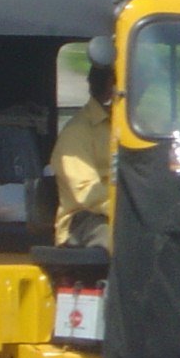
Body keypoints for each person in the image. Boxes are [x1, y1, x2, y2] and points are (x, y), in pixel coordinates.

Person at [50, 62, 114, 250]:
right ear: (112, 87)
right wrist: (129, 211)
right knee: (117, 238)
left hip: (124, 213)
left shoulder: (128, 129)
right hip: (83, 221)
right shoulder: (77, 132)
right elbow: (86, 193)